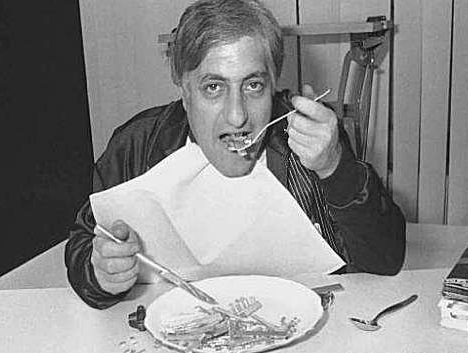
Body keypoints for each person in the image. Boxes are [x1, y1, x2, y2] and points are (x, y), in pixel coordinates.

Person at [65, 0, 406, 309]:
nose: (237, 115)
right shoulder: (138, 145)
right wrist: (101, 273)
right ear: (184, 90)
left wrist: (335, 168)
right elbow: (85, 243)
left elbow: (384, 259)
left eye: (253, 85)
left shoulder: (310, 136)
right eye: (213, 87)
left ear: (274, 84)